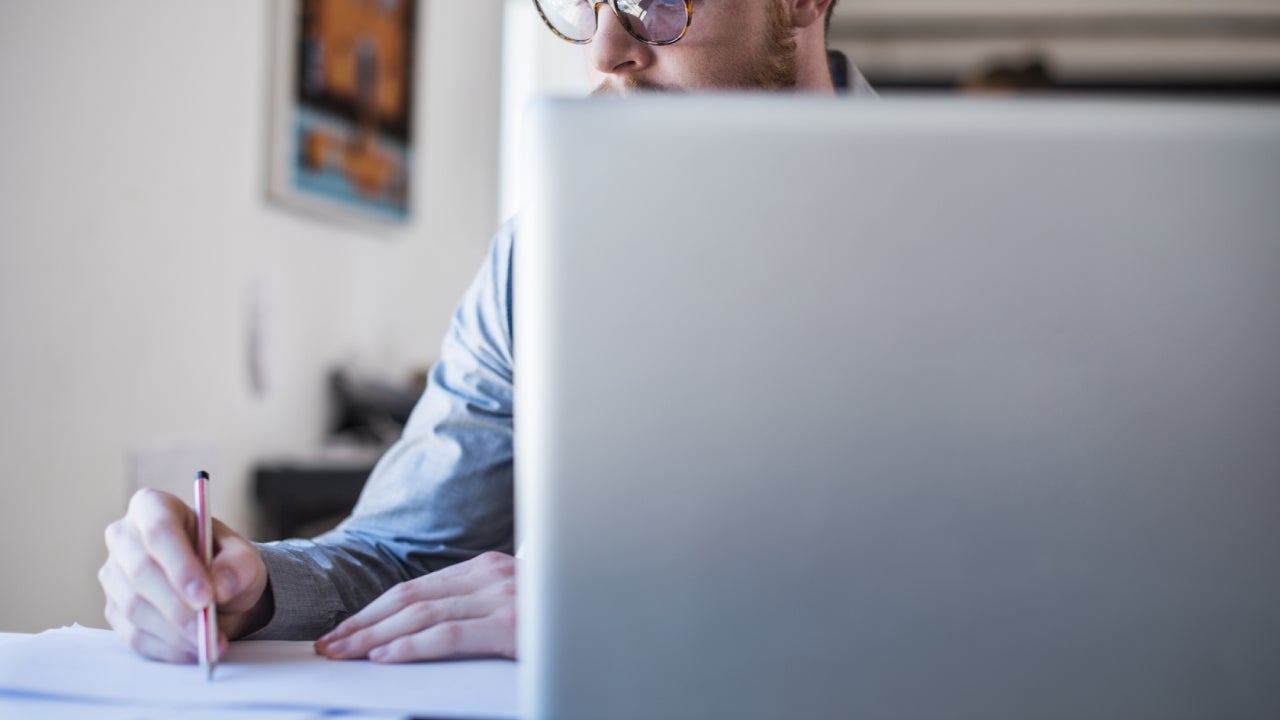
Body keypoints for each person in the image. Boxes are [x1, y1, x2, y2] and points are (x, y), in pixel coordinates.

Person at [98, 0, 874, 665]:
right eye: (585, 3)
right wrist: (247, 587)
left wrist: (629, 611)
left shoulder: (978, 238)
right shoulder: (538, 259)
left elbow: (982, 587)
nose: (605, 48)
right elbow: (405, 550)